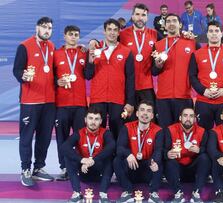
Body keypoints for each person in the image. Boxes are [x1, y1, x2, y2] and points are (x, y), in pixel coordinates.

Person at [13, 16, 56, 187]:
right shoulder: (25, 46)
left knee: (44, 137)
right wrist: (23, 76)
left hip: (49, 101)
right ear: (37, 27)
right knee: (26, 137)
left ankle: (38, 167)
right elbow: (17, 70)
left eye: (50, 28)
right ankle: (25, 170)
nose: (47, 30)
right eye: (44, 27)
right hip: (30, 101)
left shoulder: (52, 47)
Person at [54, 25, 94, 181]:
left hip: (80, 105)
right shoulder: (55, 54)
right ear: (64, 36)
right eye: (70, 34)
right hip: (61, 104)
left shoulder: (83, 52)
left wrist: (90, 59)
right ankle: (64, 167)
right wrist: (57, 81)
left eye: (76, 34)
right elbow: (51, 77)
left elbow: (89, 75)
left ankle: (79, 166)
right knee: (62, 138)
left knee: (80, 138)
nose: (73, 37)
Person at [88, 18, 135, 140]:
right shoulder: (94, 49)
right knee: (97, 134)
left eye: (115, 30)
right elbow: (88, 75)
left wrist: (130, 102)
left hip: (117, 99)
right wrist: (90, 62)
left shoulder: (126, 52)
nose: (112, 32)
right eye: (109, 29)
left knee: (118, 133)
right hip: (98, 98)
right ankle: (97, 159)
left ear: (119, 32)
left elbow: (130, 78)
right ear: (104, 31)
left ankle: (117, 159)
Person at [152, 13, 201, 128]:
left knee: (183, 130)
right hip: (163, 97)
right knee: (165, 131)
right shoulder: (158, 45)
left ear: (180, 25)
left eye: (174, 21)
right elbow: (153, 71)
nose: (171, 24)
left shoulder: (192, 43)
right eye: (168, 21)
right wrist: (158, 66)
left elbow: (203, 63)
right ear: (164, 25)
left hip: (184, 95)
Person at [61, 106, 115, 203]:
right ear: (85, 120)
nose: (93, 122)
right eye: (90, 118)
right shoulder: (79, 133)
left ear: (101, 121)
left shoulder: (106, 133)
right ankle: (77, 193)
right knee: (68, 157)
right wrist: (82, 160)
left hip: (100, 172)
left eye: (96, 119)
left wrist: (93, 160)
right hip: (83, 171)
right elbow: (64, 147)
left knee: (111, 156)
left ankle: (103, 194)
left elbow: (111, 147)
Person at [189, 21, 223, 130]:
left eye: (217, 31)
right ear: (207, 34)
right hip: (203, 101)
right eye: (211, 31)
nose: (214, 34)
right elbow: (192, 76)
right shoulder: (197, 54)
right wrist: (203, 91)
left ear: (221, 33)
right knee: (203, 134)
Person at [113, 100, 163, 203]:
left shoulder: (158, 130)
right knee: (117, 160)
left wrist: (155, 161)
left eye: (149, 111)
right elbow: (119, 148)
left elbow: (158, 150)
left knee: (161, 161)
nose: (145, 113)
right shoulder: (127, 127)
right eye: (142, 110)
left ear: (152, 115)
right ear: (137, 113)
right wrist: (128, 154)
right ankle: (127, 191)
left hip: (148, 169)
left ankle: (153, 193)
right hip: (131, 167)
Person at [119, 4, 162, 116]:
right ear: (132, 16)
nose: (140, 17)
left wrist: (186, 37)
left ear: (147, 18)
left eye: (143, 15)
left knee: (150, 121)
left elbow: (170, 44)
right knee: (128, 121)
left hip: (147, 87)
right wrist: (93, 42)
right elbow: (108, 43)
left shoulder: (155, 34)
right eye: (137, 14)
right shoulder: (122, 35)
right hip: (127, 87)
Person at [164, 107, 210, 203]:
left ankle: (197, 193)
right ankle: (178, 193)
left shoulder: (202, 131)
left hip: (194, 168)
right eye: (185, 115)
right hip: (177, 168)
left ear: (195, 119)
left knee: (205, 158)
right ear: (180, 118)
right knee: (169, 161)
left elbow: (207, 148)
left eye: (191, 116)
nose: (188, 118)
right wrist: (167, 153)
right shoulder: (170, 130)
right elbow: (163, 149)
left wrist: (200, 149)